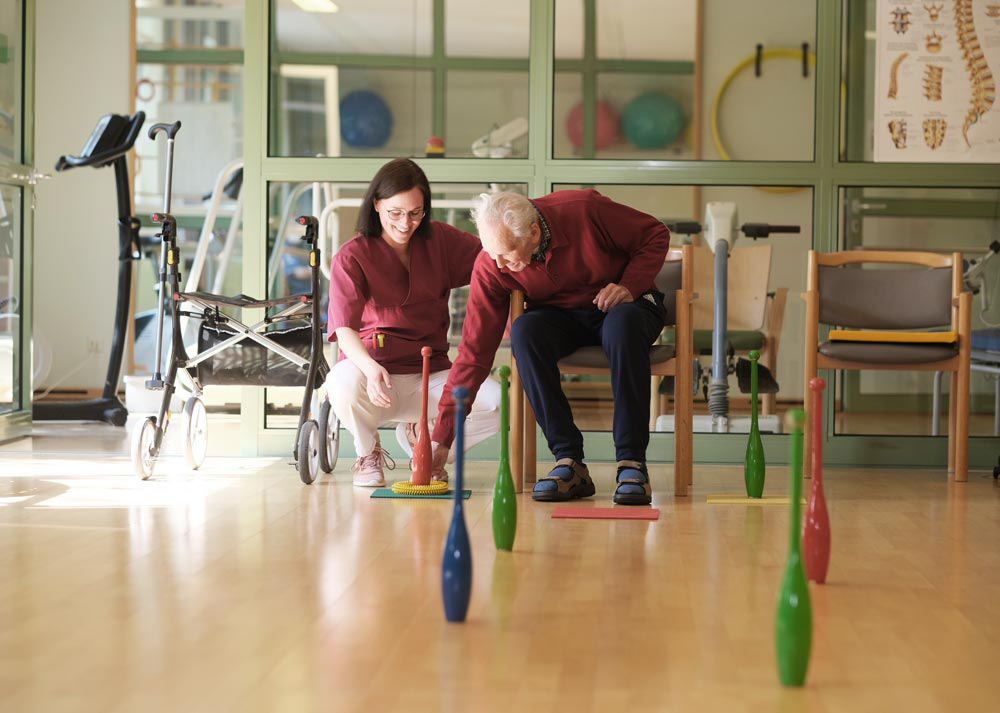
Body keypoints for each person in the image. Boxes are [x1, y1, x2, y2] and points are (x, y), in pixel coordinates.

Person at [430, 189, 670, 505]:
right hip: (563, 319)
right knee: (525, 332)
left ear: (533, 232)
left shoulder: (584, 210)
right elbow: (474, 352)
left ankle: (631, 462)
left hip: (628, 305)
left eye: (506, 253)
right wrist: (442, 438)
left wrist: (629, 285)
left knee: (621, 326)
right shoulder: (492, 263)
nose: (499, 263)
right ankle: (569, 461)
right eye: (492, 253)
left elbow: (655, 233)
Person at [325, 159, 501, 487]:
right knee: (340, 383)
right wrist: (368, 367)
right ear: (376, 205)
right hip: (375, 373)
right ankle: (367, 453)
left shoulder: (441, 241)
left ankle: (428, 448)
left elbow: (491, 258)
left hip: (431, 373)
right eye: (395, 212)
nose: (406, 223)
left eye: (415, 212)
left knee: (498, 405)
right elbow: (343, 328)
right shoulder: (351, 256)